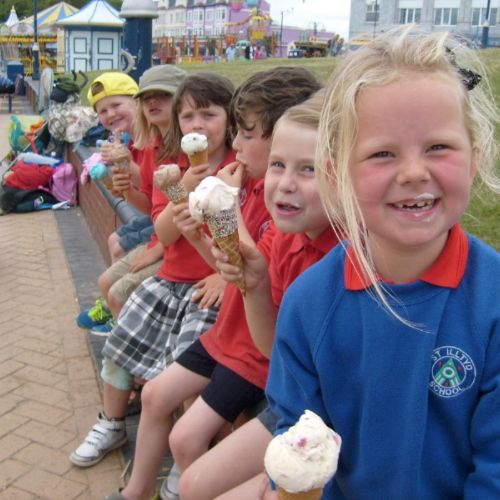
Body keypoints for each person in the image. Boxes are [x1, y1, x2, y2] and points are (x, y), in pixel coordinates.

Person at [265, 26, 500, 499]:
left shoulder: (492, 304)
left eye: (438, 147)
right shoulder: (309, 305)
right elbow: (296, 440)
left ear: (475, 157)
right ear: (338, 174)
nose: (414, 172)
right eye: (382, 154)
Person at [107, 67, 321, 500]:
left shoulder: (272, 200)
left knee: (186, 440)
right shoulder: (247, 186)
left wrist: (225, 211)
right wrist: (192, 230)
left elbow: (246, 274)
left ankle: (179, 487)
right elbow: (237, 270)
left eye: (245, 133)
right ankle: (139, 490)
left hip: (253, 351)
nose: (237, 145)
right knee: (155, 397)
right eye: (278, 163)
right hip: (233, 332)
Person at [178, 90, 343, 500]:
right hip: (295, 401)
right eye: (277, 166)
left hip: (332, 414)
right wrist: (253, 286)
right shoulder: (284, 237)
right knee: (193, 483)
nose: (285, 184)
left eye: (308, 170)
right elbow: (274, 347)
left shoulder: (348, 257)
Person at [70, 72, 235, 469]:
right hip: (171, 278)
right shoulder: (172, 167)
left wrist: (221, 274)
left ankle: (188, 461)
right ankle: (111, 423)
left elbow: (238, 236)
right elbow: (161, 229)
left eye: (208, 115)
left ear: (230, 119)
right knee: (119, 349)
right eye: (189, 116)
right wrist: (182, 191)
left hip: (209, 284)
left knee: (190, 369)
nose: (197, 125)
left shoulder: (236, 169)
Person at [76, 66, 187, 334]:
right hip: (164, 229)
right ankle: (119, 323)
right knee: (110, 276)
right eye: (103, 111)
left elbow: (184, 208)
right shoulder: (153, 144)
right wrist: (125, 190)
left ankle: (121, 326)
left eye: (116, 105)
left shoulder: (182, 147)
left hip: (178, 243)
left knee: (117, 287)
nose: (110, 114)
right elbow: (152, 200)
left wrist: (159, 245)